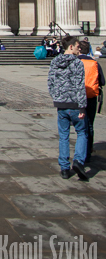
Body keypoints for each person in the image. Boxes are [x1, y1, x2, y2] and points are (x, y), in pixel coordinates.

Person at [48, 36, 89, 180]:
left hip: (61, 105)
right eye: (77, 46)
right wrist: (82, 107)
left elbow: (50, 83)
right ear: (70, 47)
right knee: (82, 133)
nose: (79, 48)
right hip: (75, 105)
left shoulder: (54, 61)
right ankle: (78, 161)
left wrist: (57, 97)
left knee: (64, 136)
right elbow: (80, 86)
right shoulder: (77, 63)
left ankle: (64, 168)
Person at [78, 39, 105, 163]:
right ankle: (88, 152)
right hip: (91, 97)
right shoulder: (95, 63)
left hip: (78, 98)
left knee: (80, 127)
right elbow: (102, 81)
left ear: (79, 49)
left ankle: (80, 153)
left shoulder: (75, 62)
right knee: (89, 125)